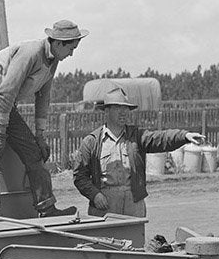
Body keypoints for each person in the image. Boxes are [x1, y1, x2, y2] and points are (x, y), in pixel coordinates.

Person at [0, 20, 87, 219]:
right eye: (71, 48)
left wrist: (40, 135)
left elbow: (43, 97)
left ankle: (47, 209)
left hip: (5, 101)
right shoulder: (31, 53)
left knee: (34, 152)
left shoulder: (53, 60)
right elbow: (6, 92)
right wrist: (0, 135)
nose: (71, 54)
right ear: (58, 43)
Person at [73, 86, 204, 217]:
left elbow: (160, 138)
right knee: (103, 238)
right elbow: (80, 176)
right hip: (104, 204)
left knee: (135, 236)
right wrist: (95, 195)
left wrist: (184, 136)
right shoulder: (92, 142)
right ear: (106, 111)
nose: (123, 112)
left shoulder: (137, 137)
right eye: (118, 108)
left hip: (133, 202)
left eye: (126, 108)